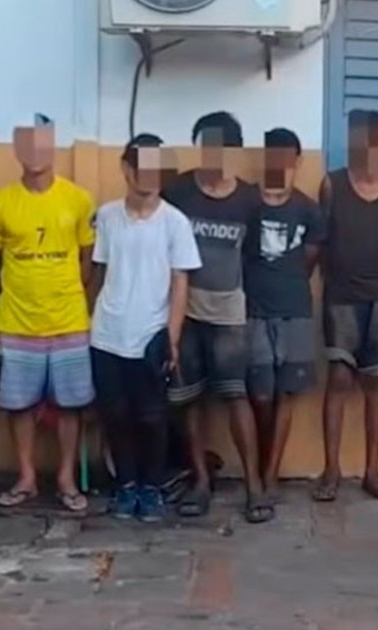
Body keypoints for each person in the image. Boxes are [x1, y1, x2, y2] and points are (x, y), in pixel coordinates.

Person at [162, 112, 271, 523]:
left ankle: (254, 487)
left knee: (235, 395)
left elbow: (255, 257)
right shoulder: (178, 192)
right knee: (190, 399)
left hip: (229, 314)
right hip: (185, 311)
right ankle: (201, 482)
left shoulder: (250, 200)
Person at [0, 116, 95, 513]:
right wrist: (16, 292)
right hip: (17, 323)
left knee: (71, 405)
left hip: (69, 322)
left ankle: (65, 479)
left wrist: (65, 292)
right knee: (19, 406)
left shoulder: (78, 199)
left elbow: (87, 259)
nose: (35, 152)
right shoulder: (0, 203)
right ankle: (26, 478)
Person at [90, 133, 201, 523]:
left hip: (151, 334)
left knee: (152, 417)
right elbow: (100, 271)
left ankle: (151, 488)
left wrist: (172, 336)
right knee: (115, 415)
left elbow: (181, 282)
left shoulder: (175, 223)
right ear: (127, 168)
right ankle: (126, 486)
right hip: (107, 334)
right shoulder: (107, 217)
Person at [314, 109, 378, 503]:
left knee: (374, 383)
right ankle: (331, 470)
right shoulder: (332, 185)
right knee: (338, 379)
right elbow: (320, 240)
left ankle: (373, 471)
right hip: (340, 297)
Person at [244, 128, 324, 496]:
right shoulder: (247, 203)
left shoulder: (308, 209)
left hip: (295, 311)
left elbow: (310, 259)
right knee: (260, 395)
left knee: (287, 393)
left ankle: (271, 475)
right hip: (253, 311)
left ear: (297, 161)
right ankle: (260, 463)